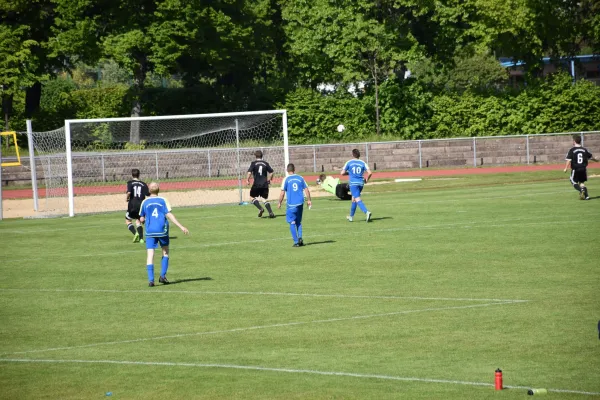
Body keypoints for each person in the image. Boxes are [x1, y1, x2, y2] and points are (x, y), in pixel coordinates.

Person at [139, 182, 189, 287]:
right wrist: (181, 226)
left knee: (150, 255)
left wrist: (143, 221)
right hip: (162, 230)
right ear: (159, 190)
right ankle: (162, 276)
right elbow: (169, 214)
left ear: (149, 190)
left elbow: (142, 218)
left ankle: (151, 280)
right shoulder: (163, 200)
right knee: (165, 252)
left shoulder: (144, 202)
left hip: (150, 231)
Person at [278, 163, 312, 247]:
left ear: (287, 170)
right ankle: (300, 238)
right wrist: (309, 200)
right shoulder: (300, 178)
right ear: (294, 169)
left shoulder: (286, 179)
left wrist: (279, 202)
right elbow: (306, 190)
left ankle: (296, 242)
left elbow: (282, 193)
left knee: (292, 222)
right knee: (298, 222)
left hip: (291, 205)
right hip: (300, 203)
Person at [341, 149, 373, 222]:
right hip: (361, 183)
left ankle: (366, 212)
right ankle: (351, 217)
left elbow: (342, 173)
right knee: (354, 199)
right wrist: (366, 180)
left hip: (353, 184)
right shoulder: (363, 163)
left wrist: (349, 173)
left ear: (352, 154)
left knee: (357, 199)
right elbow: (370, 173)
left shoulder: (349, 162)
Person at [564, 135, 598, 200]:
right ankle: (587, 196)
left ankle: (581, 190)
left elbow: (569, 159)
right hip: (583, 168)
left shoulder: (572, 150)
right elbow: (591, 157)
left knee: (572, 180)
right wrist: (596, 160)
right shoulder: (584, 150)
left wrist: (565, 168)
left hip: (575, 168)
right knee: (581, 182)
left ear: (574, 141)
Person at [247, 150, 275, 218]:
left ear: (255, 156)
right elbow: (271, 172)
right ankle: (270, 212)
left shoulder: (253, 163)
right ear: (262, 156)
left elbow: (249, 172)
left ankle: (260, 209)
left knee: (252, 197)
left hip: (256, 184)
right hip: (265, 184)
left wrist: (247, 179)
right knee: (263, 198)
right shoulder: (266, 163)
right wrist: (269, 179)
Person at [125, 169, 150, 243]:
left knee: (128, 220)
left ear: (132, 175)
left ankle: (135, 233)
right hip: (141, 205)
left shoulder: (130, 183)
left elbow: (129, 192)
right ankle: (141, 239)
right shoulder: (143, 184)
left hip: (132, 205)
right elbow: (148, 194)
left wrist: (126, 198)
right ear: (139, 175)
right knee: (138, 221)